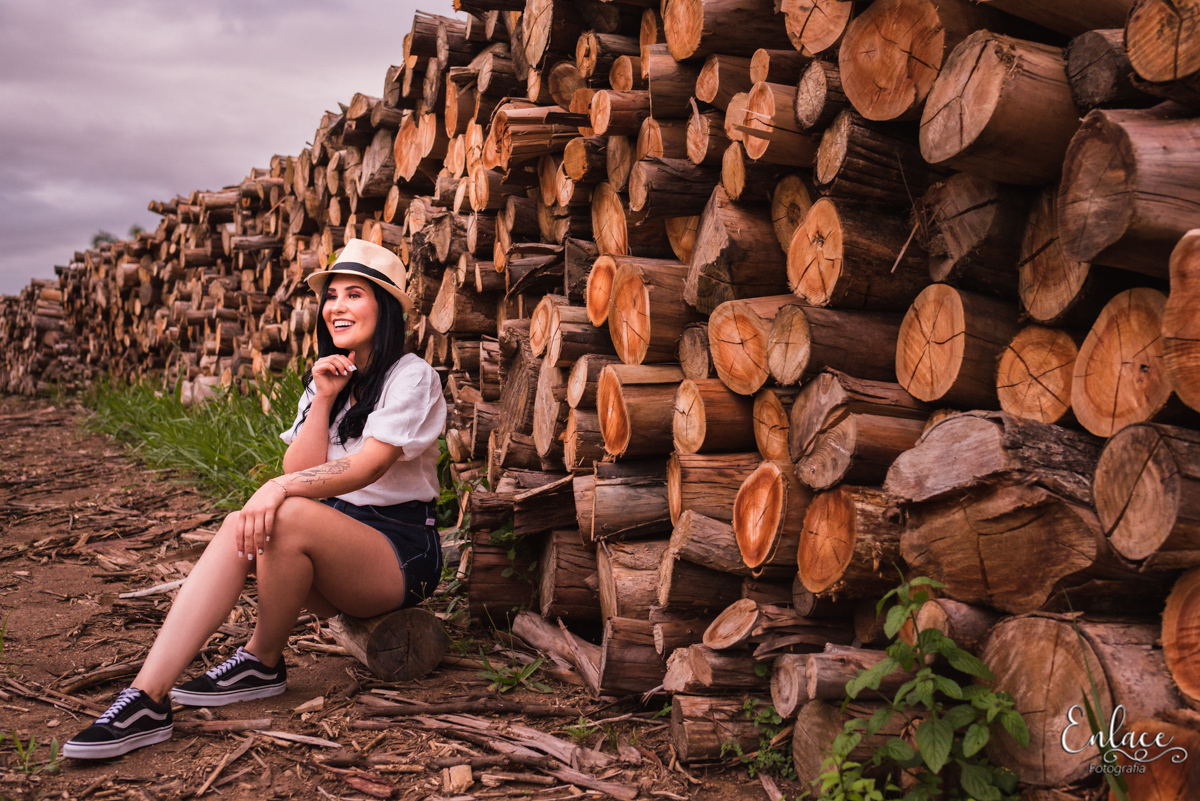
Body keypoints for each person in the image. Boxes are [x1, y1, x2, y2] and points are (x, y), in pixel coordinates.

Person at [64, 239, 447, 759]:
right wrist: (324, 401)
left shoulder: (411, 375)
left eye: (353, 294)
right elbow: (301, 469)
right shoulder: (328, 377)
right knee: (247, 519)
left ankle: (259, 659)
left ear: (385, 308)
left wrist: (275, 489)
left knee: (280, 510)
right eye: (330, 296)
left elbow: (368, 465)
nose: (336, 307)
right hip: (332, 541)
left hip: (399, 552)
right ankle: (147, 697)